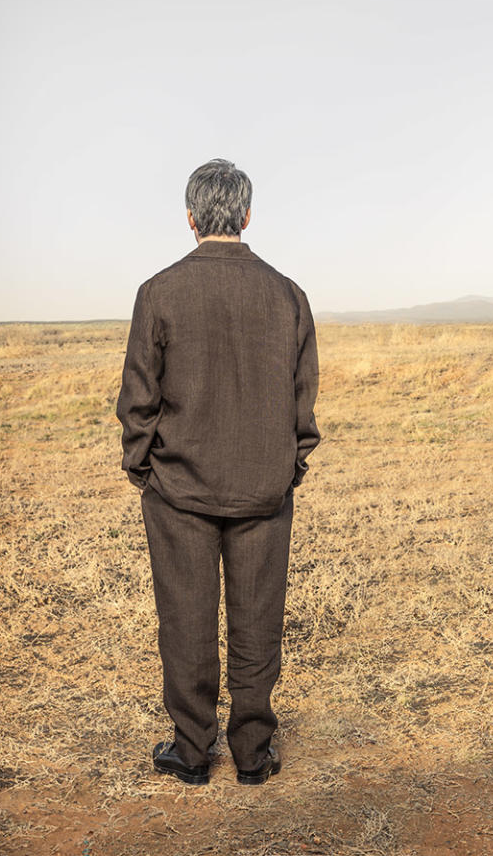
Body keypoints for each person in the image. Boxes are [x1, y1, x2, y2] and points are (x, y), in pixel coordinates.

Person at [116, 158, 320, 786]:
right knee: (258, 619)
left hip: (179, 487)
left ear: (190, 217)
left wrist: (142, 466)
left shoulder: (159, 292)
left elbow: (138, 398)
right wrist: (289, 466)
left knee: (186, 619)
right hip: (263, 485)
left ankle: (192, 749)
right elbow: (302, 399)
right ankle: (253, 753)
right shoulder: (288, 294)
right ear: (247, 215)